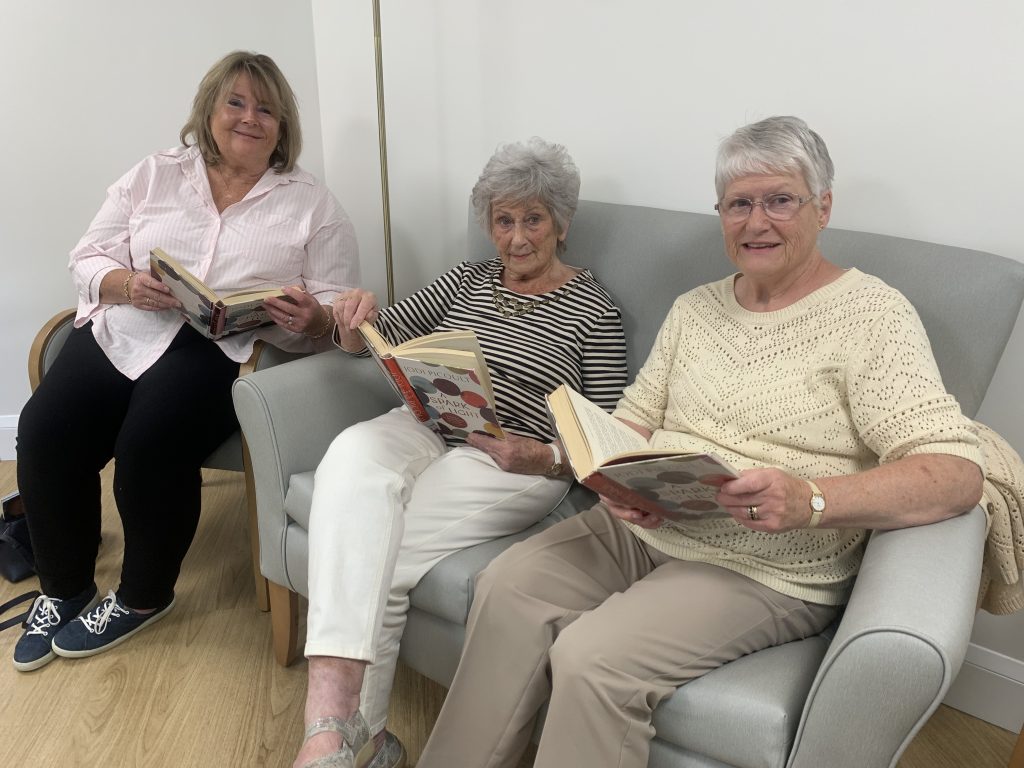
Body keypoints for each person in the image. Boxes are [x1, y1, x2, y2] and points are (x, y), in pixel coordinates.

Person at [414, 116, 986, 768]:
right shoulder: (696, 309)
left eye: (779, 200)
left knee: (592, 658)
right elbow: (628, 419)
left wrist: (812, 500)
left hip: (767, 562)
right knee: (506, 586)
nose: (756, 222)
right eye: (739, 204)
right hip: (651, 521)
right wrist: (611, 473)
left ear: (823, 207)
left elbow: (954, 472)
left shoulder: (873, 316)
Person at [14, 51, 359, 672]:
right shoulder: (153, 174)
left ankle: (144, 597)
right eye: (236, 102)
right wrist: (123, 284)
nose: (249, 118)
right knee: (43, 430)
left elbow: (334, 307)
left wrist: (312, 318)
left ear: (283, 127)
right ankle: (63, 589)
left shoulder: (313, 204)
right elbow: (86, 255)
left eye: (267, 109)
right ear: (210, 108)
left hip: (219, 347)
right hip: (128, 326)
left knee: (149, 443)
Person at [293, 137, 629, 768]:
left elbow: (607, 434)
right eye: (504, 220)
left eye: (533, 218)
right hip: (429, 420)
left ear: (562, 221)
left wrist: (548, 458)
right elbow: (379, 336)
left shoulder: (595, 309)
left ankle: (350, 737)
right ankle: (342, 732)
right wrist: (349, 319)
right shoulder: (467, 279)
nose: (517, 237)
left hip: (511, 459)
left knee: (378, 550)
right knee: (350, 454)